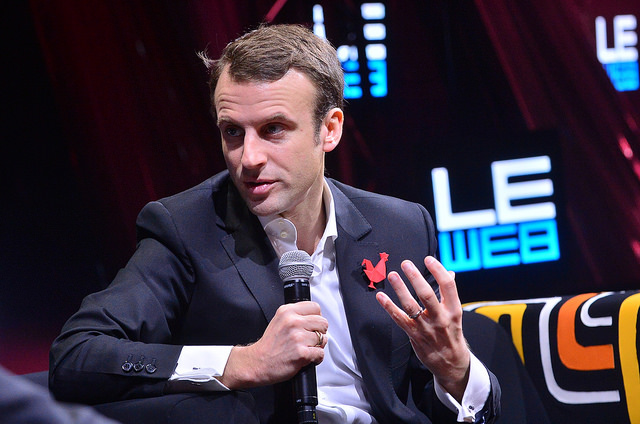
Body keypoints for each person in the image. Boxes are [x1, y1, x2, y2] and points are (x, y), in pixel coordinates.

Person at [49, 24, 501, 423]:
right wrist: (241, 364)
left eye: (273, 129)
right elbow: (77, 356)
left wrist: (456, 371)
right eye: (232, 132)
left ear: (330, 129)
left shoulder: (401, 225)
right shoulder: (185, 229)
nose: (248, 158)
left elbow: (431, 398)